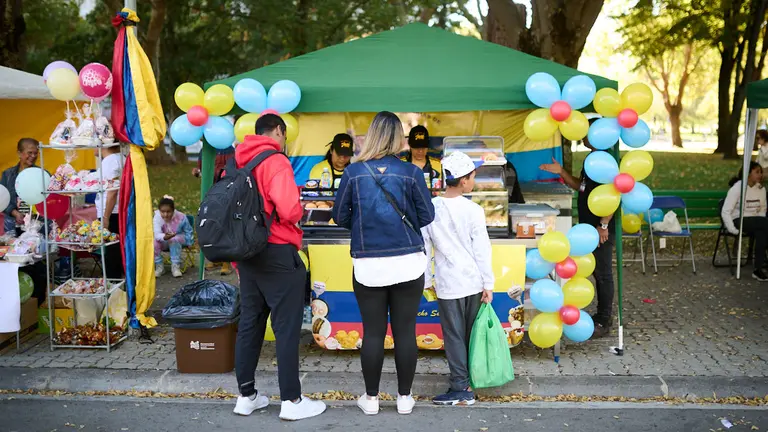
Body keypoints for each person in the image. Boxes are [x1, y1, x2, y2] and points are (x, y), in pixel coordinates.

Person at [333, 111, 435, 416]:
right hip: (408, 263)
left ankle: (372, 399)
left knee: (373, 332)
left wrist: (363, 224)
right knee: (406, 331)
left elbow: (340, 216)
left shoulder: (353, 173)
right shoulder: (411, 173)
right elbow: (428, 215)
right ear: (398, 139)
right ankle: (405, 399)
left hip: (369, 263)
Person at [232, 114, 326, 421]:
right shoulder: (276, 161)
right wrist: (298, 207)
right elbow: (288, 209)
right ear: (280, 132)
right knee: (285, 328)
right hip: (276, 252)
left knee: (250, 323)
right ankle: (292, 400)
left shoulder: (238, 161)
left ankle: (246, 396)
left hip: (246, 253)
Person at [421, 151, 494, 406]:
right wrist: (488, 284)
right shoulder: (473, 210)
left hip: (448, 282)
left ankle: (460, 385)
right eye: (473, 176)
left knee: (453, 335)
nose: (474, 180)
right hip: (473, 281)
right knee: (469, 334)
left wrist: (427, 279)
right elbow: (482, 249)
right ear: (463, 180)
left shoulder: (430, 207)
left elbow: (424, 246)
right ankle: (466, 383)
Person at [539, 120, 614, 338]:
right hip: (588, 227)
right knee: (593, 271)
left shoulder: (604, 161)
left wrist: (603, 224)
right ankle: (598, 315)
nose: (582, 136)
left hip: (600, 227)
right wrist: (561, 171)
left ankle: (604, 319)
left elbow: (613, 195)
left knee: (603, 273)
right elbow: (579, 187)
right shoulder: (591, 160)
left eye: (586, 132)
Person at [192, 144, 235, 276]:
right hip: (209, 193)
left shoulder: (228, 149)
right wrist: (197, 172)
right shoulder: (203, 150)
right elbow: (201, 169)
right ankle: (215, 258)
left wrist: (214, 173)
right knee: (210, 224)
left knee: (225, 225)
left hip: (224, 193)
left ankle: (226, 261)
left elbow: (231, 171)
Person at [722, 161, 768, 281]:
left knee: (762, 232)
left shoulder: (761, 189)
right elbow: (726, 211)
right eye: (757, 172)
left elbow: (762, 210)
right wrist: (732, 229)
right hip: (739, 220)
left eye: (761, 172)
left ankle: (757, 269)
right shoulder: (738, 188)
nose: (760, 175)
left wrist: (761, 221)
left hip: (757, 222)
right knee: (764, 225)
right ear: (748, 174)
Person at [95, 144, 124, 279]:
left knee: (112, 253)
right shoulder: (120, 158)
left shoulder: (110, 161)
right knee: (116, 251)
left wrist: (105, 217)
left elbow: (112, 192)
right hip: (117, 210)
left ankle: (112, 285)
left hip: (111, 212)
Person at [1, 138, 40, 235]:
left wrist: (33, 213)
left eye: (36, 153)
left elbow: (49, 199)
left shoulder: (42, 174)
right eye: (30, 153)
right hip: (11, 224)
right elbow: (1, 198)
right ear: (19, 153)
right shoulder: (7, 174)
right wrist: (15, 213)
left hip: (36, 225)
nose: (33, 156)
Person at [153, 195, 193, 278]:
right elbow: (157, 234)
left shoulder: (181, 217)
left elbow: (188, 230)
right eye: (162, 211)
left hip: (179, 238)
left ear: (173, 210)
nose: (166, 214)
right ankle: (159, 266)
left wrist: (189, 242)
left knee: (174, 239)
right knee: (154, 242)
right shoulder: (157, 218)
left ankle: (175, 266)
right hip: (164, 239)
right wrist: (165, 237)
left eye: (168, 211)